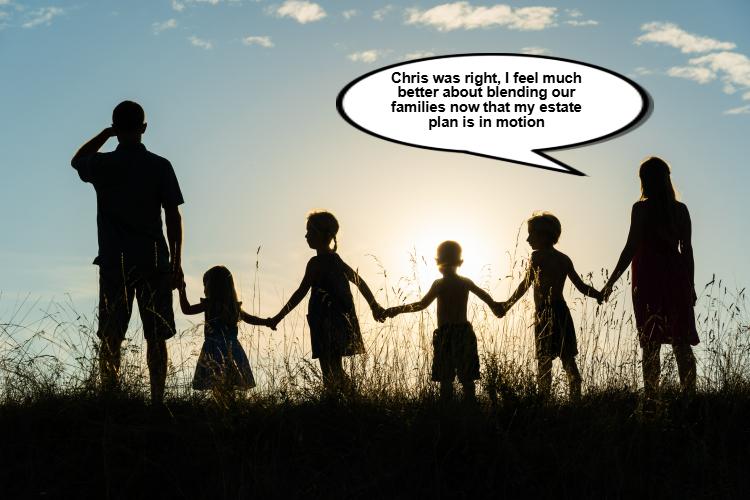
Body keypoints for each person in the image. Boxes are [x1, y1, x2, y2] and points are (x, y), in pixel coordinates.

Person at [71, 100, 184, 404]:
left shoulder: (103, 165)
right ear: (144, 128)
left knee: (111, 336)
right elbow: (173, 216)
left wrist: (105, 134)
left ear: (116, 127)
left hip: (114, 261)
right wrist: (177, 261)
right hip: (154, 261)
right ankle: (157, 401)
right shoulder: (160, 166)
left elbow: (77, 159)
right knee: (156, 336)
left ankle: (110, 396)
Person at [602, 157, 699, 403]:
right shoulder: (681, 209)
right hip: (676, 275)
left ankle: (652, 398)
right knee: (681, 341)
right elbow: (686, 250)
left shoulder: (641, 208)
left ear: (644, 180)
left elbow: (630, 247)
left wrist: (610, 281)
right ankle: (690, 397)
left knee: (651, 341)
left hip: (648, 276)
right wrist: (691, 284)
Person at [269, 211, 385, 391]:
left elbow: (300, 293)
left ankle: (338, 400)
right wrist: (374, 305)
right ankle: (347, 398)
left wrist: (278, 317)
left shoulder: (316, 263)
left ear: (322, 234)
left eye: (310, 231)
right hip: (338, 319)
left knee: (328, 368)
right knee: (334, 367)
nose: (306, 235)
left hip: (324, 321)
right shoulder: (336, 260)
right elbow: (359, 281)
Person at [496, 213, 602, 401]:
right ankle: (575, 400)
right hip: (562, 312)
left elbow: (525, 284)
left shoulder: (537, 257)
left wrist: (507, 305)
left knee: (544, 362)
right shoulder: (564, 259)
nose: (528, 239)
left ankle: (544, 401)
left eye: (531, 234)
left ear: (544, 235)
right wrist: (598, 295)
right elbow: (581, 286)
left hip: (544, 313)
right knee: (568, 358)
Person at [385, 241, 500, 403]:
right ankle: (468, 409)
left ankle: (450, 410)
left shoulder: (440, 284)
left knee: (448, 380)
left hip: (448, 334)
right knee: (464, 379)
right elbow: (485, 296)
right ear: (460, 262)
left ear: (437, 261)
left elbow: (421, 304)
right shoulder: (463, 282)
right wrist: (496, 307)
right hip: (461, 333)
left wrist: (396, 310)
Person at [178, 266, 274, 393]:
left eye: (205, 284)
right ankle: (229, 409)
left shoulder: (210, 304)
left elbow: (187, 310)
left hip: (214, 349)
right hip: (232, 349)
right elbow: (251, 319)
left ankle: (221, 410)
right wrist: (267, 322)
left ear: (211, 286)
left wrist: (182, 290)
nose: (204, 288)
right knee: (229, 386)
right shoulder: (233, 306)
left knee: (218, 386)